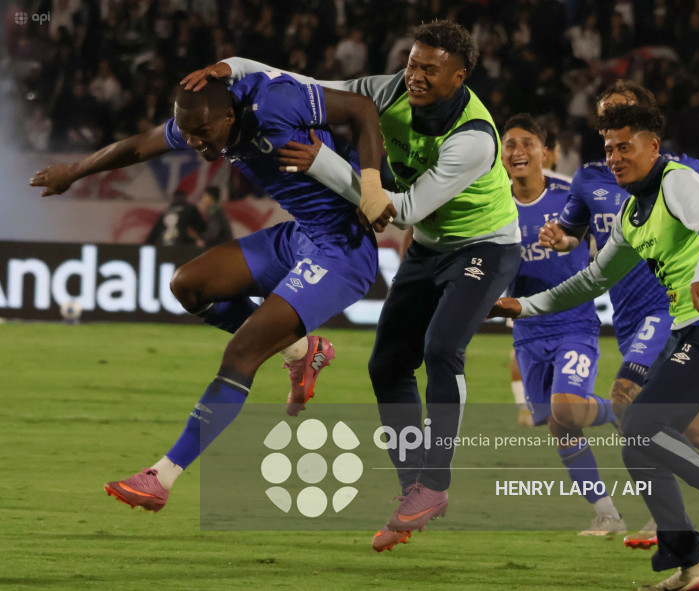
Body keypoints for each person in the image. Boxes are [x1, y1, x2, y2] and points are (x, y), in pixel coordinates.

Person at [183, 19, 521, 551]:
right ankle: (414, 490)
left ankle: (436, 483)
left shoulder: (473, 140)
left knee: (441, 349)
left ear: (459, 77)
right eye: (412, 63)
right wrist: (232, 67)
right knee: (386, 365)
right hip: (431, 249)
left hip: (485, 247)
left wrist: (324, 163)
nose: (414, 76)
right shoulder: (387, 89)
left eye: (430, 70)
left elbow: (402, 212)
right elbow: (295, 80)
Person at [30, 70, 391, 513]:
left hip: (341, 252)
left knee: (242, 353)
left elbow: (361, 108)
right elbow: (140, 145)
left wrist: (369, 184)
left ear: (228, 115)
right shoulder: (201, 118)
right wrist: (75, 171)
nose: (198, 145)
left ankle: (160, 477)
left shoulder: (275, 102)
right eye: (189, 135)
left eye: (203, 135)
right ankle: (301, 350)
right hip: (300, 237)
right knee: (188, 285)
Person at [491, 102, 699, 591]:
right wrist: (524, 308)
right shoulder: (632, 216)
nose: (614, 156)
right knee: (642, 436)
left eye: (625, 146)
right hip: (687, 328)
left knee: (636, 417)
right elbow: (592, 278)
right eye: (608, 148)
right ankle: (694, 567)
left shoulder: (679, 179)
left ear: (653, 145)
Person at [538, 79, 699, 550]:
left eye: (624, 117)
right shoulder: (590, 179)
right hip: (627, 316)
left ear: (646, 125)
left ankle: (671, 519)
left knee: (628, 404)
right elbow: (579, 238)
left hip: (670, 309)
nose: (614, 131)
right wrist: (561, 240)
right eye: (606, 119)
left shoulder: (680, 171)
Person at [501, 113, 624, 535]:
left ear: (545, 152)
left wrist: (568, 242)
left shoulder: (571, 194)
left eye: (527, 143)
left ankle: (626, 410)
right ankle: (607, 513)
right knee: (560, 426)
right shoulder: (492, 204)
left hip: (574, 323)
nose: (518, 151)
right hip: (528, 332)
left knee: (567, 408)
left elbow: (592, 237)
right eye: (510, 144)